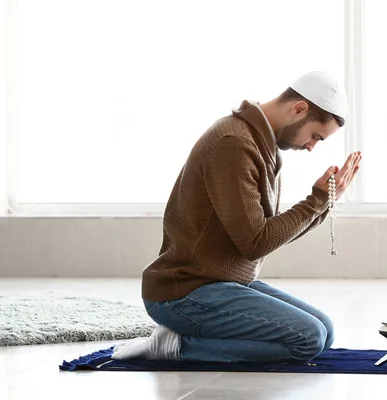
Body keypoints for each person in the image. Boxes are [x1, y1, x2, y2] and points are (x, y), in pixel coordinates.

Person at [112, 71, 362, 363]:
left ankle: (191, 338)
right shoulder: (234, 143)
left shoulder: (260, 143)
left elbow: (269, 233)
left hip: (222, 283)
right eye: (315, 136)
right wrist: (315, 202)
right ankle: (175, 346)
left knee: (326, 332)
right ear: (299, 109)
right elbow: (255, 242)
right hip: (184, 293)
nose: (311, 147)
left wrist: (323, 202)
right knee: (308, 339)